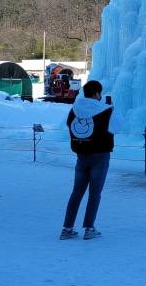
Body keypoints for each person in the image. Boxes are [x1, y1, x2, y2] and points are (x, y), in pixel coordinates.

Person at [60, 80, 122, 240]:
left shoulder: (74, 109)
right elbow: (118, 127)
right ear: (96, 93)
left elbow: (69, 125)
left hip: (81, 155)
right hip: (100, 156)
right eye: (99, 93)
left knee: (76, 192)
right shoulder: (106, 110)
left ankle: (67, 229)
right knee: (95, 193)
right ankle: (89, 228)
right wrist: (113, 109)